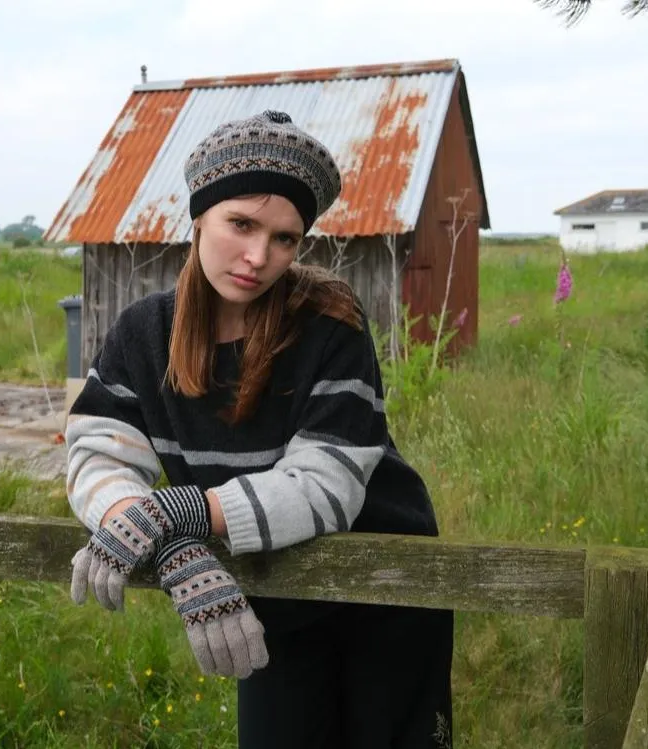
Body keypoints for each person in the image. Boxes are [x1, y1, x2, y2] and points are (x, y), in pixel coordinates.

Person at [65, 109, 454, 748]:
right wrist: (173, 543)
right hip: (266, 592)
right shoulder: (143, 335)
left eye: (285, 238)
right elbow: (98, 455)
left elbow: (324, 481)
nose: (258, 258)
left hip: (386, 582)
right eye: (241, 223)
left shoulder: (329, 322)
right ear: (198, 219)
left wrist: (180, 513)